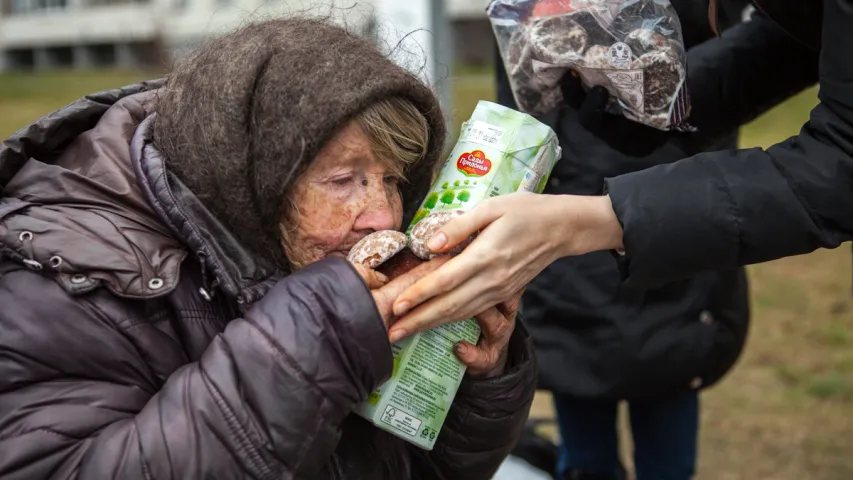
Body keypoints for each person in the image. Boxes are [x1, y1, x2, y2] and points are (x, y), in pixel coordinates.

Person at [0, 19, 536, 479]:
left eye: (392, 180)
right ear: (249, 181)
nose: (382, 217)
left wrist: (464, 379)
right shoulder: (61, 281)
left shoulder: (306, 254)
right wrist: (324, 333)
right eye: (344, 179)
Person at [386, 0, 838, 341]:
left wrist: (594, 221)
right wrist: (668, 97)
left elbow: (838, 166)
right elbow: (799, 37)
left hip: (663, 297)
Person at [490, 1, 760, 479]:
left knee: (656, 418)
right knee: (598, 441)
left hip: (665, 213)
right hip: (579, 225)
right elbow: (522, 100)